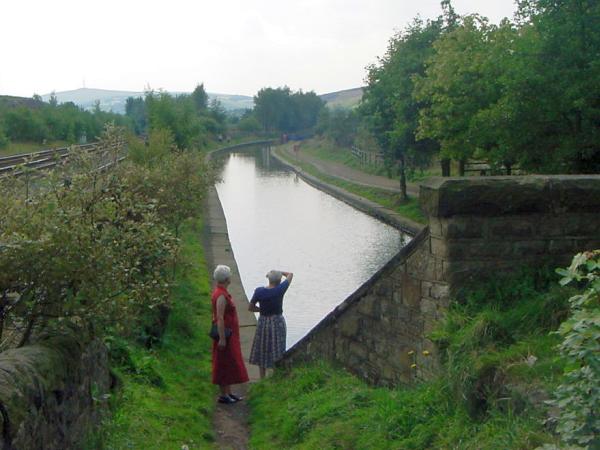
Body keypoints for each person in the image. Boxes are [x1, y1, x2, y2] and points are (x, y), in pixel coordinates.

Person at [211, 265, 249, 404]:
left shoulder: (221, 292)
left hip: (229, 334)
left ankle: (229, 393)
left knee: (230, 362)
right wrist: (222, 338)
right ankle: (223, 395)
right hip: (225, 334)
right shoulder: (221, 295)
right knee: (224, 363)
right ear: (226, 278)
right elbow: (220, 317)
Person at [248, 269, 294, 379]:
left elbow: (250, 307)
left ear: (269, 279)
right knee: (277, 347)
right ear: (278, 281)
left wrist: (261, 309)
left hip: (263, 322)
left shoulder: (259, 291)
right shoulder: (280, 289)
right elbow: (290, 274)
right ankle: (276, 375)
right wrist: (280, 271)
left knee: (262, 347)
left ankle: (262, 377)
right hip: (277, 322)